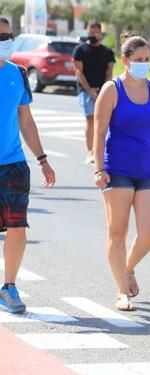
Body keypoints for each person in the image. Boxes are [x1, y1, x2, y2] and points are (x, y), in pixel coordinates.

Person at [93, 35, 150, 311]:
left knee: (149, 234)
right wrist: (99, 168)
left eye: (146, 60)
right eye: (138, 60)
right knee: (118, 232)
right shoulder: (112, 89)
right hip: (118, 169)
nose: (143, 65)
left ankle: (127, 267)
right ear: (125, 60)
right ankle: (121, 291)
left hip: (148, 169)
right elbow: (99, 132)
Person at [0, 18, 56, 314]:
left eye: (8, 35)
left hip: (13, 164)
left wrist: (42, 159)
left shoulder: (18, 74)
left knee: (18, 227)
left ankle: (9, 287)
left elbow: (25, 120)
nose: (5, 40)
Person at [72, 22, 115, 164]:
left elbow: (110, 71)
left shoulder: (107, 52)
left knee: (105, 121)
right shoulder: (80, 50)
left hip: (103, 90)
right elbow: (79, 71)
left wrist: (106, 89)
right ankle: (90, 151)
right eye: (91, 32)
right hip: (86, 91)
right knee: (90, 120)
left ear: (100, 33)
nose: (93, 35)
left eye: (96, 32)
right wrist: (89, 90)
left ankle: (102, 150)